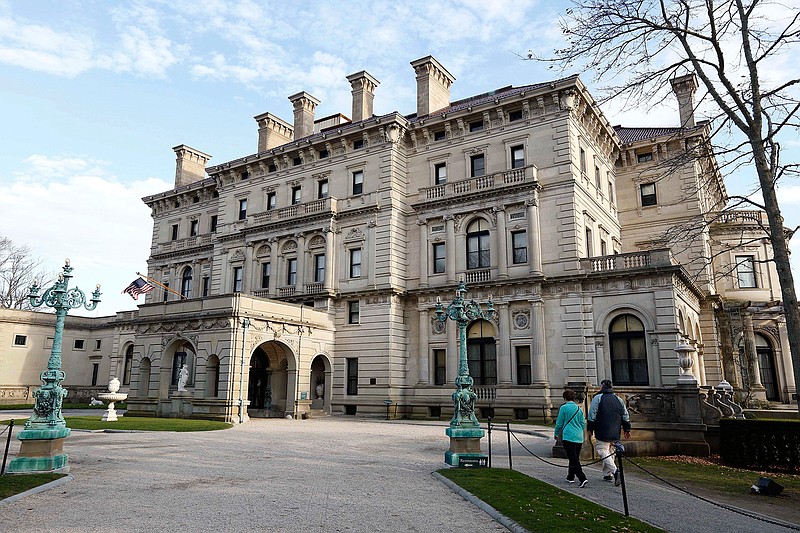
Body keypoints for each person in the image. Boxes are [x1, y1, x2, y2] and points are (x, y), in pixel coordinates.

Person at [587, 379, 631, 486]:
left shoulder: (598, 398)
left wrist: (590, 428)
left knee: (602, 450)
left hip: (602, 428)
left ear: (602, 387)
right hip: (615, 429)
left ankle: (615, 471)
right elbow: (625, 415)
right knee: (611, 450)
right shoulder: (618, 399)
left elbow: (592, 415)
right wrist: (627, 429)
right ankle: (607, 473)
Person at [554, 388, 588, 487]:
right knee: (574, 457)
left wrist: (556, 434)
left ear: (565, 398)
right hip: (578, 436)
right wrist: (582, 433)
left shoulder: (564, 408)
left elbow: (559, 423)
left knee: (573, 459)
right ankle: (570, 476)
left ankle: (582, 478)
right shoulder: (578, 409)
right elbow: (583, 423)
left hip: (568, 436)